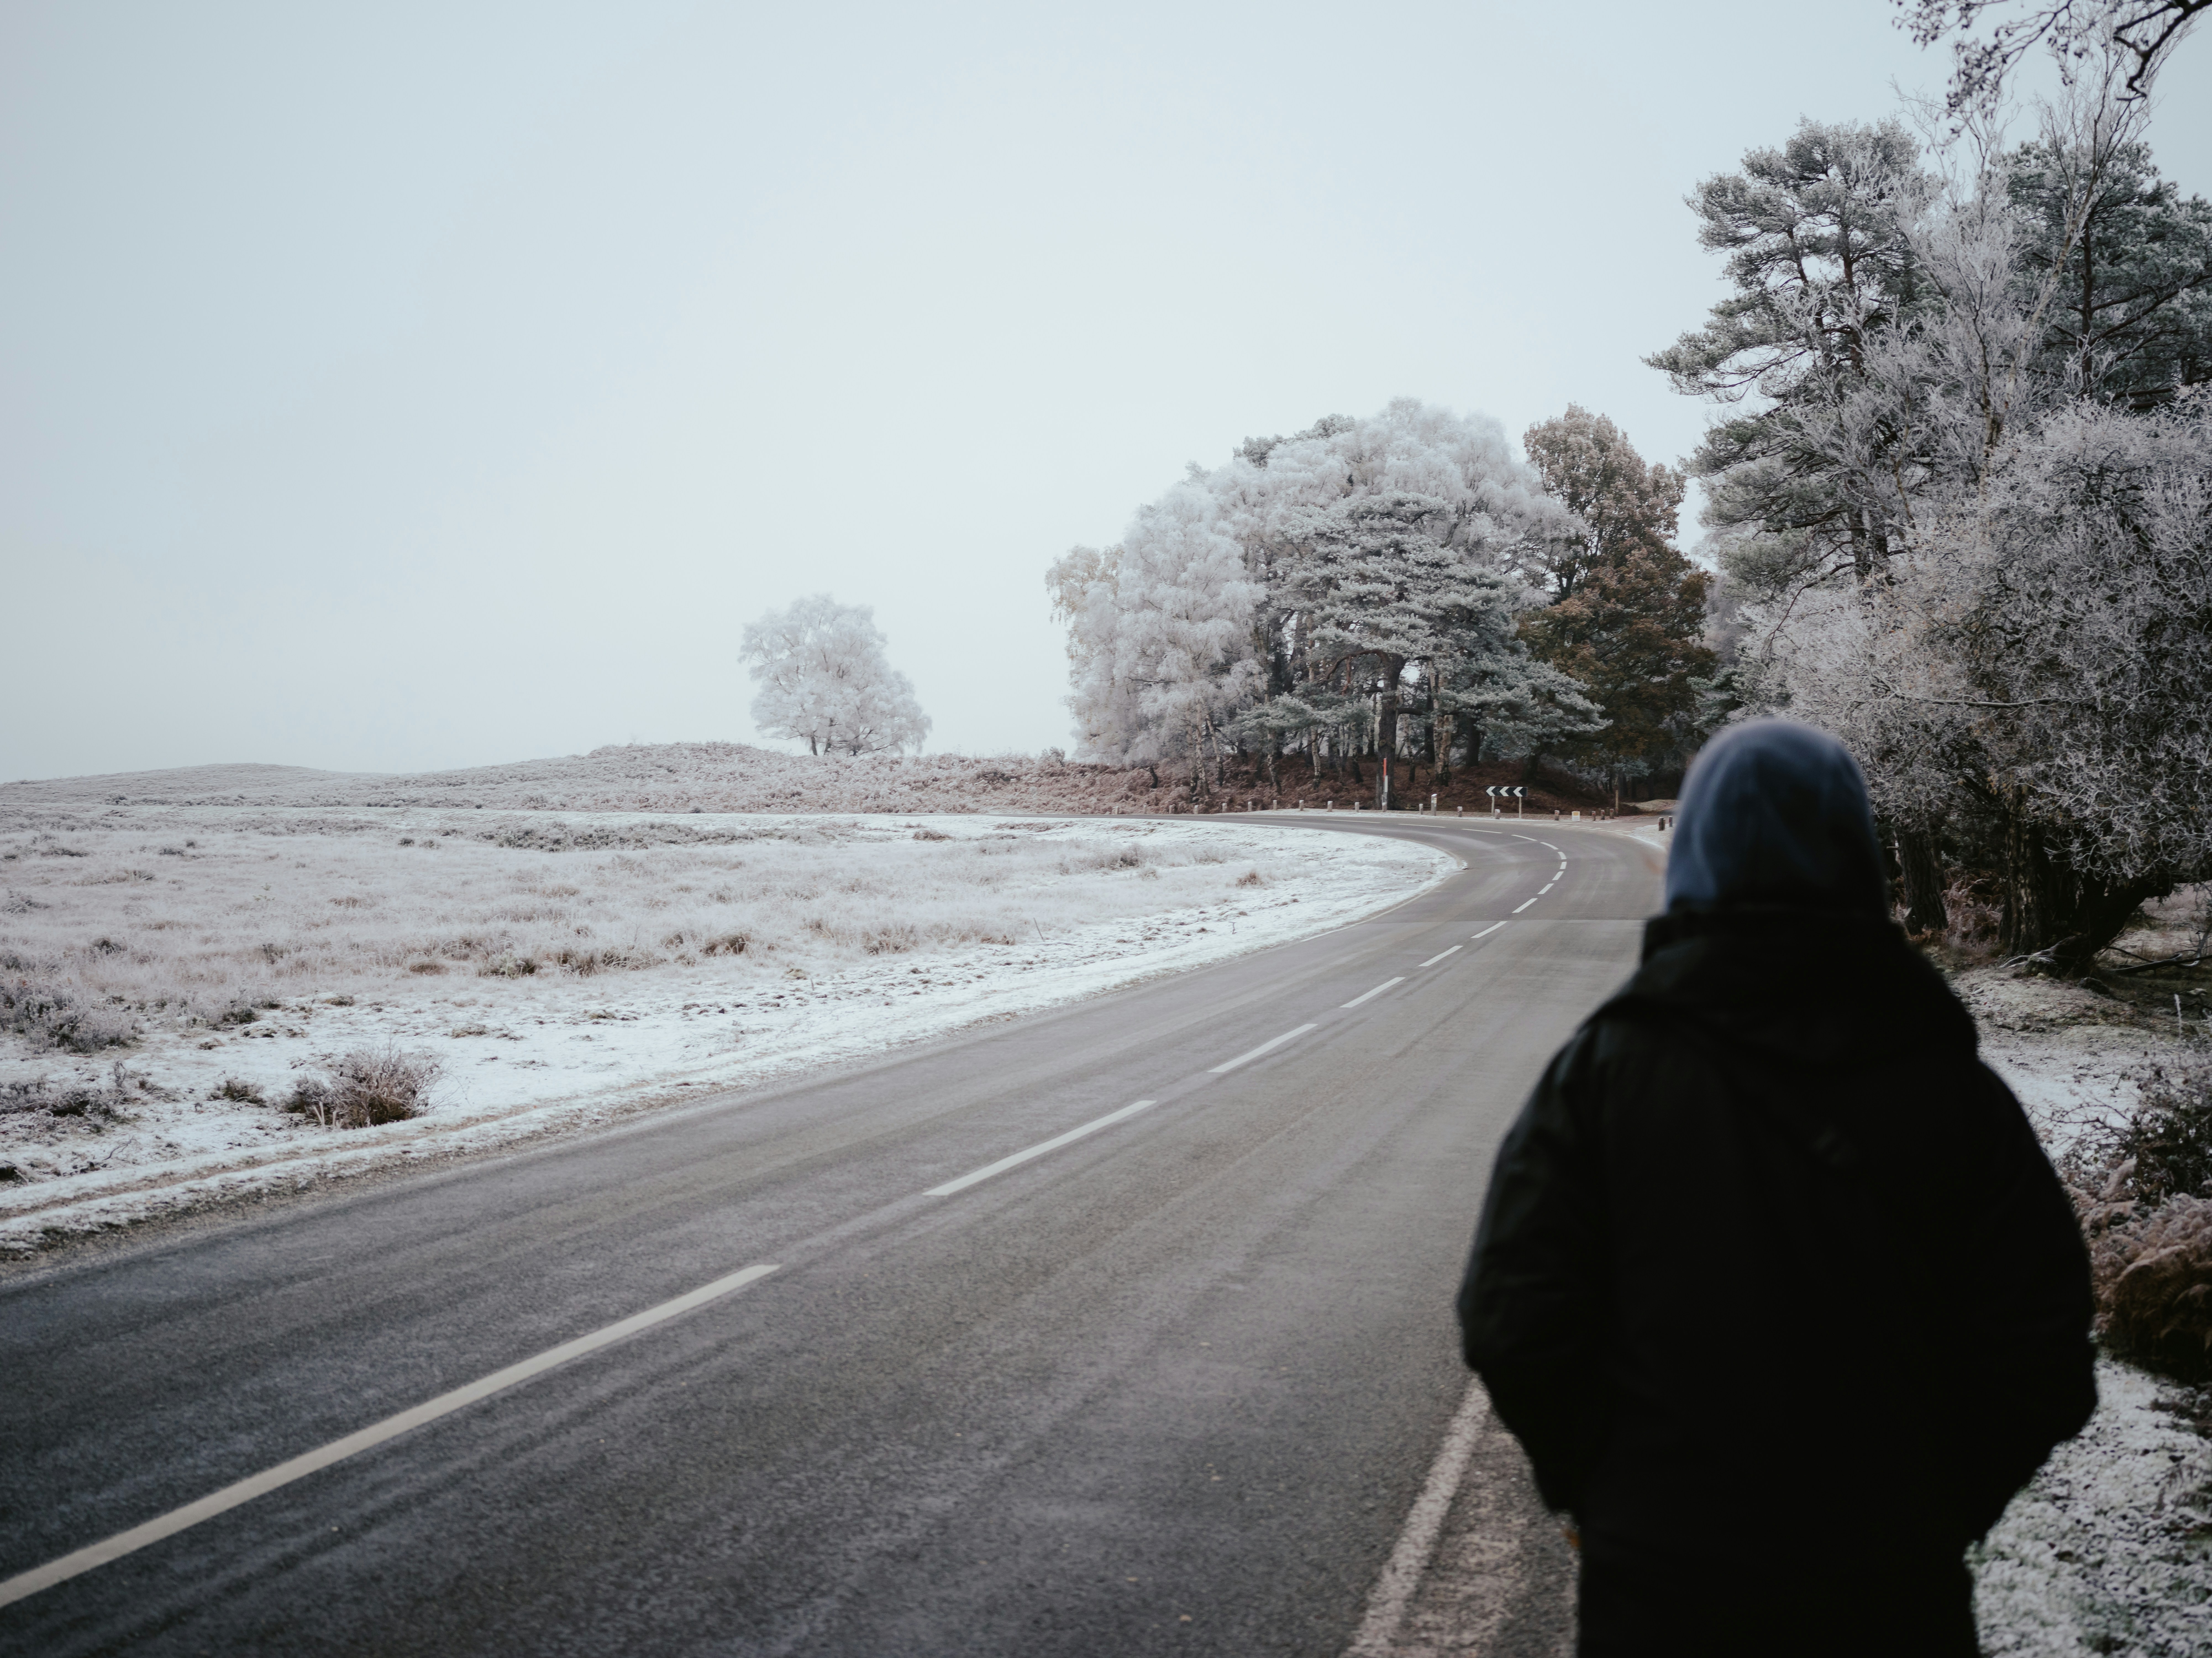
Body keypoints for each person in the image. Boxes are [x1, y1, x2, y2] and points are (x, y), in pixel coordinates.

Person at [1456, 720, 2095, 1656]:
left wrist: (1610, 1490)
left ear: (1694, 857)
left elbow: (1511, 1317)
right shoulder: (1954, 1090)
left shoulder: (1605, 1075)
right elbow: (2043, 1342)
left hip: (1663, 1599)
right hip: (1892, 1602)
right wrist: (1934, 1507)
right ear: (1857, 858)